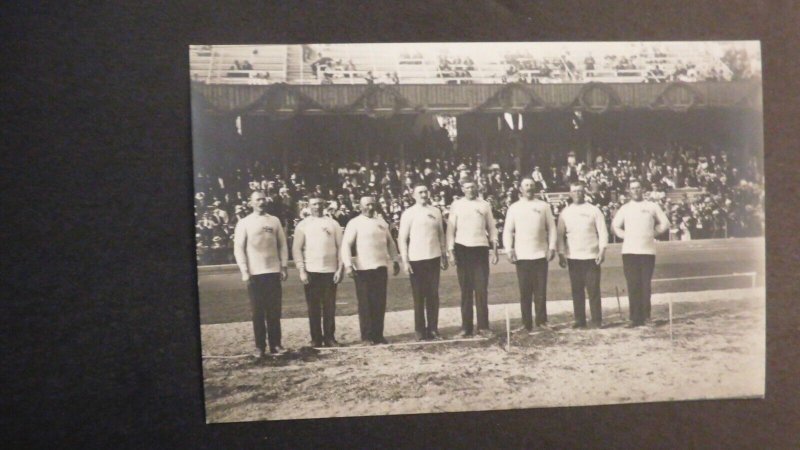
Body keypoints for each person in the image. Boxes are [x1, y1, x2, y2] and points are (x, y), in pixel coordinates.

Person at [233, 191, 289, 358]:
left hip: (272, 271)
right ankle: (260, 347)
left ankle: (276, 344)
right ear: (251, 203)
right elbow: (239, 248)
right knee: (257, 312)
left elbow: (283, 245)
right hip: (255, 273)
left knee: (274, 311)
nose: (261, 202)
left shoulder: (274, 220)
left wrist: (284, 267)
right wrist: (244, 270)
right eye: (258, 199)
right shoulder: (244, 223)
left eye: (263, 199)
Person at [341, 196, 401, 345]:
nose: (371, 207)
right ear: (360, 206)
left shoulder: (381, 222)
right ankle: (367, 336)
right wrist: (348, 264)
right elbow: (346, 245)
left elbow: (391, 243)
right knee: (365, 303)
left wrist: (395, 260)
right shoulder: (354, 223)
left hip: (380, 267)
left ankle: (378, 334)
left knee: (379, 302)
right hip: (363, 269)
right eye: (367, 205)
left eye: (373, 204)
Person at [612, 179, 670, 327]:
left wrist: (653, 233)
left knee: (645, 285)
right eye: (632, 188)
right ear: (629, 191)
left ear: (642, 189)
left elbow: (665, 223)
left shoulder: (652, 206)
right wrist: (627, 236)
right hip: (629, 251)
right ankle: (634, 318)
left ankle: (646, 317)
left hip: (647, 251)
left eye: (638, 188)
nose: (635, 191)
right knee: (633, 285)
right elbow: (615, 226)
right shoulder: (625, 208)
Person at [446, 178, 499, 338]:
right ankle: (466, 328)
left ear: (477, 188)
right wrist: (450, 250)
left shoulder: (484, 204)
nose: (470, 189)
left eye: (473, 187)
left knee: (481, 289)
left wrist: (494, 249)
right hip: (462, 249)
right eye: (467, 187)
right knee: (466, 290)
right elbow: (450, 229)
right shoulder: (456, 205)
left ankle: (484, 327)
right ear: (462, 189)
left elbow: (492, 227)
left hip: (480, 249)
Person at [503, 177, 557, 333]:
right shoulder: (514, 207)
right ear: (520, 188)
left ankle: (542, 321)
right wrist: (508, 249)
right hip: (522, 256)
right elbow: (508, 230)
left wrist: (551, 247)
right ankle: (526, 323)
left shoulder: (543, 206)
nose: (529, 188)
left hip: (540, 254)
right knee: (525, 292)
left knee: (540, 291)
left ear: (535, 188)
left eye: (532, 185)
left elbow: (552, 229)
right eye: (526, 185)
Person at [398, 184, 448, 341]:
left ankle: (433, 328)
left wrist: (444, 255)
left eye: (425, 191)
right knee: (419, 296)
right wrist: (405, 260)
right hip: (416, 260)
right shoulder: (408, 213)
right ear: (413, 195)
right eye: (420, 192)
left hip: (433, 258)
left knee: (433, 295)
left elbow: (441, 235)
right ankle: (419, 330)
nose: (424, 194)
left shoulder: (435, 211)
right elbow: (402, 238)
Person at [292, 197, 344, 348]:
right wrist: (301, 269)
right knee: (313, 307)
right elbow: (296, 248)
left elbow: (341, 247)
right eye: (314, 204)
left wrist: (340, 269)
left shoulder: (333, 223)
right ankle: (316, 338)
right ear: (308, 206)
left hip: (330, 271)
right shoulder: (303, 225)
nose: (317, 207)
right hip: (311, 271)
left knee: (329, 306)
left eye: (320, 204)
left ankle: (330, 337)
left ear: (324, 206)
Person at [557, 181, 609, 329]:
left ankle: (597, 320)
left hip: (591, 257)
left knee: (593, 290)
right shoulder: (565, 213)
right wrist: (561, 254)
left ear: (584, 192)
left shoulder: (594, 210)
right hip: (573, 257)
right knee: (577, 290)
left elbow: (603, 232)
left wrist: (602, 250)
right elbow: (560, 236)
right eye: (574, 191)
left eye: (580, 191)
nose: (577, 194)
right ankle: (580, 320)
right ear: (570, 193)